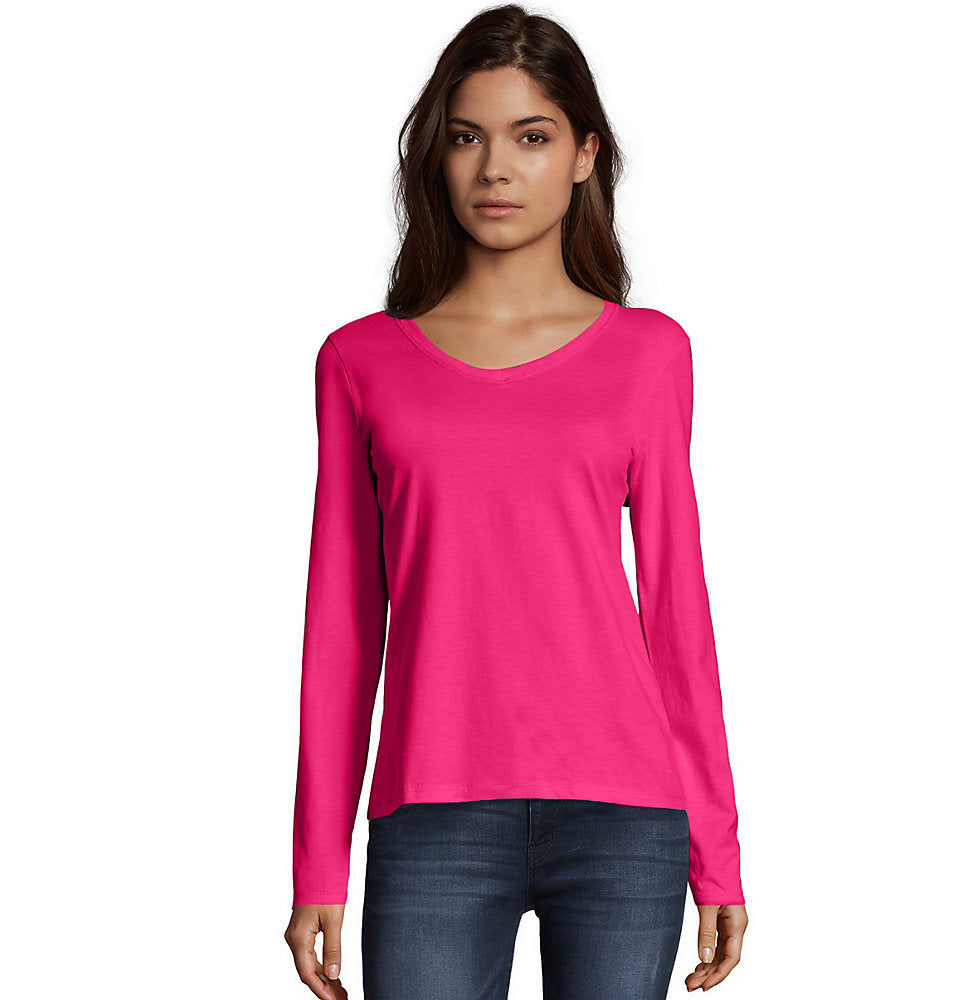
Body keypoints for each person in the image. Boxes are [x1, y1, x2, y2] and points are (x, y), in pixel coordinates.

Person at [284, 5, 748, 998]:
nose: (495, 168)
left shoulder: (649, 354)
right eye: (467, 137)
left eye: (530, 137)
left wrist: (717, 849)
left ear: (584, 155)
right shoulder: (361, 362)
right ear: (437, 156)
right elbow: (342, 625)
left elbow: (677, 615)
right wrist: (318, 862)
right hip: (431, 814)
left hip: (625, 816)